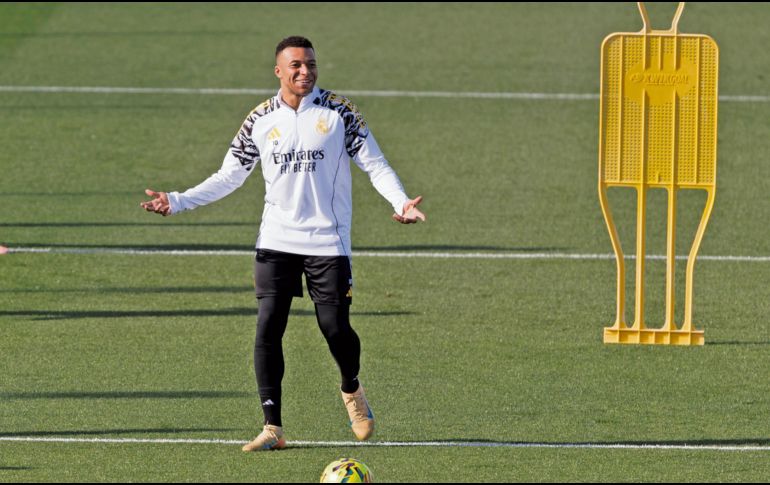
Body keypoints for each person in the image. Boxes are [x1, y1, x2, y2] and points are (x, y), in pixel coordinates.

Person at [140, 36, 425, 451]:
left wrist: (401, 202)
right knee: (269, 325)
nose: (304, 71)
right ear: (278, 71)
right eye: (295, 65)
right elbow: (229, 175)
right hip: (276, 239)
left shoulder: (340, 111)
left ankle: (352, 390)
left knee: (334, 328)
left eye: (310, 64)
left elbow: (374, 163)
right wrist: (179, 201)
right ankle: (272, 426)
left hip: (328, 240)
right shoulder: (260, 118)